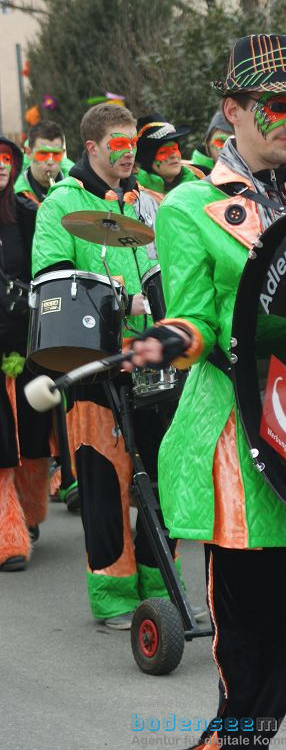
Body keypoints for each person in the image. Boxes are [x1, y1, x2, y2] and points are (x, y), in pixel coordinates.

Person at [126, 34, 286, 749]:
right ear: (232, 110)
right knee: (262, 666)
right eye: (273, 105)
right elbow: (203, 318)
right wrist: (176, 336)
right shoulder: (186, 207)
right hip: (249, 449)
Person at [31, 103, 195, 628]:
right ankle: (113, 595)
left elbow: (165, 268)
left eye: (132, 144)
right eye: (118, 145)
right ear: (94, 148)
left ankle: (160, 582)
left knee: (163, 474)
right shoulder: (61, 203)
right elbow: (53, 275)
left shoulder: (147, 202)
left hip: (149, 357)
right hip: (95, 361)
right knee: (104, 481)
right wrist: (120, 306)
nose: (129, 154)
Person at [14, 121, 80, 511]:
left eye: (57, 153)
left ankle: (71, 478)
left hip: (62, 303)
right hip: (24, 310)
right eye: (43, 154)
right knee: (38, 403)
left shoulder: (71, 188)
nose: (51, 162)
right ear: (29, 151)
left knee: (68, 389)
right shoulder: (18, 196)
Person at [0, 137, 53, 571]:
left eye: (6, 159)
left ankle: (29, 510)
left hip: (27, 341)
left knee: (34, 436)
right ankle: (7, 535)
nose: (0, 166)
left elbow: (45, 270)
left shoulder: (27, 214)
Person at [134, 114, 204, 198]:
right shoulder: (135, 191)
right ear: (148, 160)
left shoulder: (199, 181)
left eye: (175, 149)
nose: (174, 155)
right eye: (163, 152)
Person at [191, 109, 234, 174]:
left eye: (234, 142)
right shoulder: (191, 179)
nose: (227, 148)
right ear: (207, 144)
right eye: (220, 142)